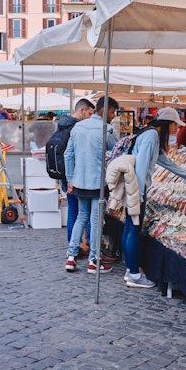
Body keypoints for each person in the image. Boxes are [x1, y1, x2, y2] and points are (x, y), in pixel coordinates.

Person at [124, 107, 186, 288]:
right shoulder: (151, 137)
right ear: (168, 123)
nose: (175, 129)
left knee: (129, 227)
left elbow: (166, 163)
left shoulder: (150, 135)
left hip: (133, 188)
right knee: (133, 229)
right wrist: (140, 194)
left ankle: (130, 269)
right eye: (174, 125)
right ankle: (133, 273)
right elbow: (141, 166)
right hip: (135, 189)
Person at [64, 96, 119, 274]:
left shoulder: (77, 127)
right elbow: (117, 153)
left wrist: (70, 178)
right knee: (95, 221)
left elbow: (68, 155)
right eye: (112, 112)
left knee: (82, 217)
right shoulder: (107, 130)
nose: (113, 116)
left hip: (80, 181)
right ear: (103, 111)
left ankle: (71, 257)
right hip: (97, 182)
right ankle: (93, 260)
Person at [55, 99, 97, 262]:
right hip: (77, 177)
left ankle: (74, 247)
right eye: (89, 114)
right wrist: (72, 178)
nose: (90, 117)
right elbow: (72, 154)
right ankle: (83, 248)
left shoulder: (62, 124)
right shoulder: (77, 127)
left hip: (68, 175)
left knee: (75, 211)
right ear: (81, 110)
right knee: (84, 213)